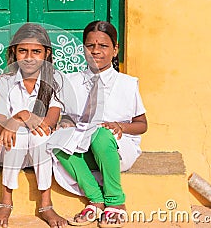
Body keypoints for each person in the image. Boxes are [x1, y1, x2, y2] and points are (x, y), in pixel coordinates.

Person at [47, 21, 148, 227]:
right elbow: (63, 117)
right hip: (83, 152)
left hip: (114, 150)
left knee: (100, 134)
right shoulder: (70, 81)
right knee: (56, 138)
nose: (96, 51)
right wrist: (65, 123)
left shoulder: (127, 84)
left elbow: (142, 124)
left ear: (115, 49)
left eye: (103, 46)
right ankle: (96, 198)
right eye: (90, 46)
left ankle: (116, 201)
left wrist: (121, 127)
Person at [0, 23, 67, 228]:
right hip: (9, 149)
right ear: (14, 51)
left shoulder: (54, 79)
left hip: (40, 148)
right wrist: (20, 117)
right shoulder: (5, 81)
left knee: (39, 135)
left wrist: (23, 118)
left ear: (47, 54)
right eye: (23, 51)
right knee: (18, 136)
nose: (29, 57)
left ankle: (46, 205)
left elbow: (50, 121)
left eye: (36, 51)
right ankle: (5, 202)